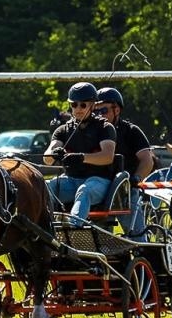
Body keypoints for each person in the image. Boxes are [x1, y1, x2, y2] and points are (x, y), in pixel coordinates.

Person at [43, 81, 117, 228]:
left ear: (93, 105)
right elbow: (47, 158)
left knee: (84, 190)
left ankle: (73, 228)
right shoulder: (62, 130)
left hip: (99, 181)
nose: (78, 109)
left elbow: (107, 156)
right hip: (71, 180)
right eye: (74, 104)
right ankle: (45, 227)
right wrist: (54, 153)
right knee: (44, 187)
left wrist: (82, 157)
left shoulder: (105, 127)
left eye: (83, 105)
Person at [94, 86, 155, 239]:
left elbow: (147, 160)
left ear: (117, 110)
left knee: (137, 236)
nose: (99, 115)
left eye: (104, 110)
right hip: (98, 189)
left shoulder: (131, 131)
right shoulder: (92, 131)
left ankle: (142, 250)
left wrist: (136, 179)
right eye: (96, 111)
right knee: (97, 238)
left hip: (125, 191)